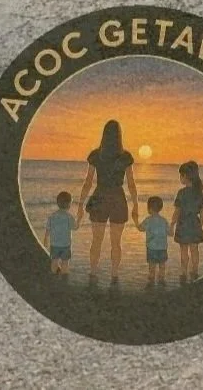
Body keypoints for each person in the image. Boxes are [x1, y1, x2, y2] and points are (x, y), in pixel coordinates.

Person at [76, 118, 137, 284]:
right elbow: (131, 183)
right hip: (118, 198)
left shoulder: (96, 155)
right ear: (119, 135)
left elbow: (88, 182)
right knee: (116, 242)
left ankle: (93, 272)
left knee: (97, 240)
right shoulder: (125, 156)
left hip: (99, 197)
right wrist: (136, 205)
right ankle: (115, 275)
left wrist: (80, 205)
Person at [172, 161, 203, 282]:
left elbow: (177, 211)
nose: (180, 178)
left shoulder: (181, 193)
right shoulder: (199, 193)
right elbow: (202, 213)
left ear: (186, 176)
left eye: (181, 175)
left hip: (183, 224)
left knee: (183, 250)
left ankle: (183, 272)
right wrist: (200, 225)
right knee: (194, 250)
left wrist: (172, 224)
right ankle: (195, 271)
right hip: (194, 224)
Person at [135, 196, 169, 289]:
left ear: (149, 209)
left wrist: (135, 221)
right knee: (162, 265)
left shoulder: (148, 220)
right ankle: (161, 279)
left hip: (152, 248)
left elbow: (140, 228)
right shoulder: (164, 220)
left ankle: (151, 280)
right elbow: (170, 233)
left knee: (152, 265)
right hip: (162, 248)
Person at [45, 190, 75, 276]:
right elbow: (75, 227)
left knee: (54, 261)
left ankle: (53, 275)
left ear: (58, 203)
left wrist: (45, 240)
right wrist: (79, 219)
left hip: (54, 244)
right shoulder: (69, 217)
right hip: (66, 244)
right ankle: (64, 276)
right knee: (65, 262)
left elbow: (48, 229)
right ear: (69, 204)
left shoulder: (52, 216)